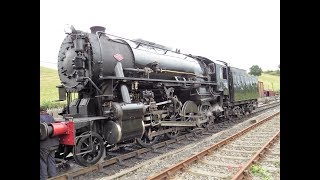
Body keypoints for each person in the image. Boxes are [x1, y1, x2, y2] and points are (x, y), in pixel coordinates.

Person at [40, 106, 59, 180]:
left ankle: (43, 178)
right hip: (54, 143)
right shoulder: (51, 117)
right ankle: (53, 177)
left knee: (42, 162)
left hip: (44, 145)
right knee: (51, 161)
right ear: (45, 111)